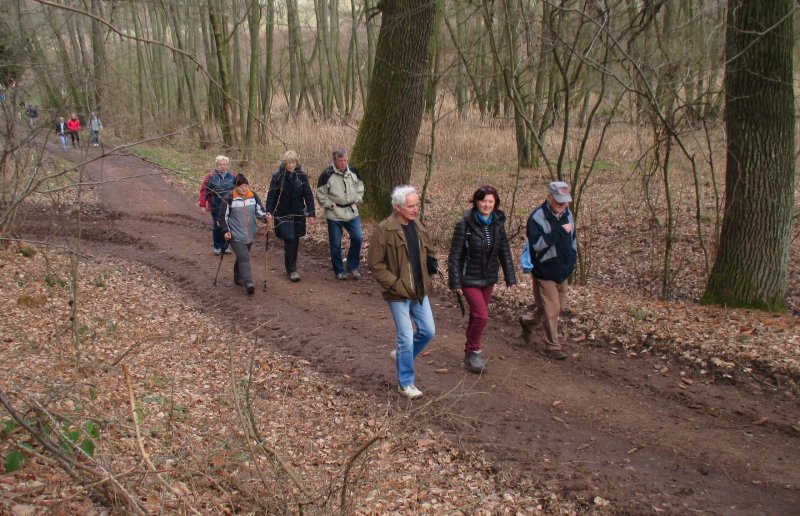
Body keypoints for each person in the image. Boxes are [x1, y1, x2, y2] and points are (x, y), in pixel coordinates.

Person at [368, 185, 437, 399]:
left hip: (419, 289)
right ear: (397, 207)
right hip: (398, 293)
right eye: (411, 206)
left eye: (417, 205)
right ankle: (405, 383)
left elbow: (428, 252)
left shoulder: (419, 226)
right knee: (406, 338)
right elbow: (375, 264)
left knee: (428, 331)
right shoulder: (384, 229)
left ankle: (400, 356)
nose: (416, 209)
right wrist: (396, 284)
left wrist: (431, 267)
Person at [447, 185, 517, 373]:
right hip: (468, 277)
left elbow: (504, 251)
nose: (486, 205)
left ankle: (469, 354)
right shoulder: (464, 224)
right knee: (482, 316)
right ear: (476, 202)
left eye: (490, 201)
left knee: (476, 316)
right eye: (483, 201)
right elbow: (454, 255)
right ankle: (474, 351)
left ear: (495, 203)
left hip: (488, 278)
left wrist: (510, 277)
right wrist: (454, 281)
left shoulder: (497, 224)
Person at [518, 181, 577, 360]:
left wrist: (572, 261)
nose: (562, 205)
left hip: (563, 271)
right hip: (544, 271)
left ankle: (527, 322)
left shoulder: (568, 214)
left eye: (565, 201)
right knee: (552, 309)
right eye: (559, 201)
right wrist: (559, 231)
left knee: (550, 308)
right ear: (549, 197)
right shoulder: (537, 217)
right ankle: (551, 346)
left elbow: (572, 241)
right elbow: (537, 245)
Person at [265, 150, 316, 282]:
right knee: (290, 239)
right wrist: (268, 212)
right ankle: (292, 269)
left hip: (298, 213)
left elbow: (308, 195)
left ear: (296, 162)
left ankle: (291, 265)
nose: (291, 165)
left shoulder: (302, 177)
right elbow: (272, 196)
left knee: (295, 240)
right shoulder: (277, 177)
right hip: (283, 213)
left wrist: (311, 213)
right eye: (288, 162)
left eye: (293, 162)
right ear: (284, 163)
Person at [316, 148, 364, 280]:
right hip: (335, 214)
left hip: (352, 211)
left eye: (345, 160)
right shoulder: (326, 174)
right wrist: (331, 205)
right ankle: (339, 270)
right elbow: (320, 194)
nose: (344, 163)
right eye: (341, 161)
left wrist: (358, 199)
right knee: (336, 243)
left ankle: (352, 266)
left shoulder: (353, 171)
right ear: (335, 161)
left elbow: (360, 186)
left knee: (358, 238)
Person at [218, 174, 267, 295]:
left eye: (246, 186)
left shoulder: (253, 196)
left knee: (242, 256)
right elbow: (222, 218)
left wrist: (266, 217)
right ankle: (249, 282)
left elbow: (259, 211)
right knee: (244, 257)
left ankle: (237, 276)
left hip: (249, 234)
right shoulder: (229, 198)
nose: (244, 189)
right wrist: (226, 231)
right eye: (241, 187)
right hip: (234, 235)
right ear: (236, 187)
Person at [198, 156, 236, 255]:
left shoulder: (233, 176)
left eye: (224, 164)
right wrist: (202, 205)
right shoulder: (210, 176)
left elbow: (238, 190)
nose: (222, 166)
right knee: (218, 225)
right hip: (216, 205)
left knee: (229, 225)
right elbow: (204, 191)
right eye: (220, 164)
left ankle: (226, 246)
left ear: (227, 165)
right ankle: (217, 246)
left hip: (230, 206)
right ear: (217, 165)